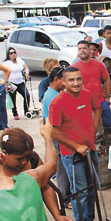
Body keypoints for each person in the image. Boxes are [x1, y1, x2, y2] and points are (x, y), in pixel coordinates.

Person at [0, 126, 74, 221]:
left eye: (27, 157)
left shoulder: (33, 160)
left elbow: (46, 187)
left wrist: (57, 215)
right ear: (3, 154)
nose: (24, 162)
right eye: (19, 159)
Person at [49, 67, 102, 221]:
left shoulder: (87, 94)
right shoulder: (57, 102)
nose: (76, 83)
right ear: (63, 82)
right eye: (71, 80)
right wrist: (76, 146)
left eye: (79, 79)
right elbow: (54, 131)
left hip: (89, 150)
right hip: (72, 156)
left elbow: (98, 108)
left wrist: (93, 131)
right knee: (81, 193)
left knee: (92, 188)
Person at [42, 66, 72, 206]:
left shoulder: (52, 94)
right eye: (63, 79)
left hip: (57, 134)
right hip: (57, 135)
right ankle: (65, 198)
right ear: (56, 79)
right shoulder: (53, 97)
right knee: (62, 168)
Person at [71, 40, 111, 132]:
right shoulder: (74, 67)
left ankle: (108, 144)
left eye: (84, 48)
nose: (82, 50)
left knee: (109, 126)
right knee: (89, 129)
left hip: (101, 101)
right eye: (80, 49)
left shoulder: (99, 64)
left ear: (89, 50)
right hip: (84, 104)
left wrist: (107, 97)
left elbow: (107, 79)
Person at [3, 47, 30, 121]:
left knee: (27, 95)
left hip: (20, 82)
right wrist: (5, 84)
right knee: (13, 99)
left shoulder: (19, 60)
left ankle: (26, 111)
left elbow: (25, 67)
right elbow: (4, 75)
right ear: (8, 55)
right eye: (11, 53)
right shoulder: (6, 63)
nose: (13, 54)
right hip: (12, 83)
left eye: (14, 52)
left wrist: (26, 72)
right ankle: (15, 113)